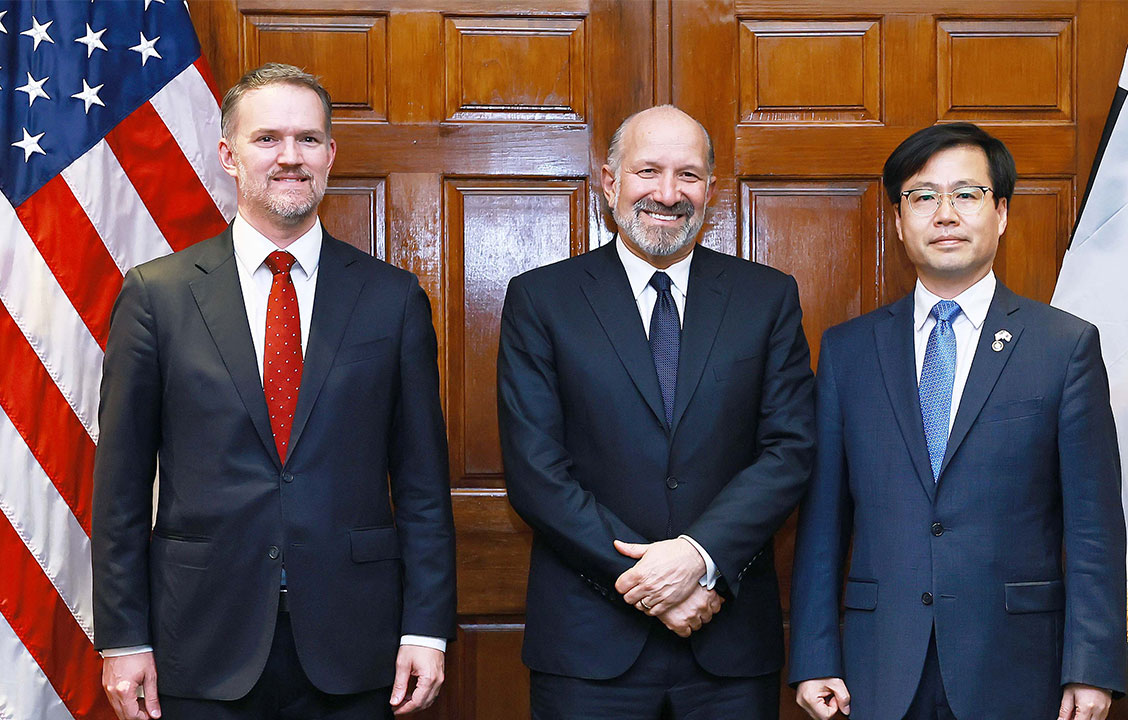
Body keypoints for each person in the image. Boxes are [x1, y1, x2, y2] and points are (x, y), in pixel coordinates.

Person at [91, 63, 456, 720]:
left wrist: (426, 630)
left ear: (330, 154)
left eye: (308, 139)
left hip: (355, 642)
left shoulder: (393, 299)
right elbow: (119, 487)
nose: (291, 157)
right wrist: (123, 638)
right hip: (200, 639)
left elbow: (423, 485)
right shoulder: (157, 295)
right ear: (229, 155)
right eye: (267, 139)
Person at [789, 122, 1127, 720]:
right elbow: (823, 522)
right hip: (878, 664)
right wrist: (815, 654)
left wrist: (1091, 667)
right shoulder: (848, 351)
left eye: (966, 195)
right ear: (899, 221)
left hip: (1017, 664)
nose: (945, 214)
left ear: (1001, 213)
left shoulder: (1063, 346)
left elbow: (1093, 526)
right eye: (923, 197)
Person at [496, 105, 815, 719]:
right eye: (648, 171)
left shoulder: (767, 297)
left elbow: (789, 451)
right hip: (588, 647)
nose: (668, 194)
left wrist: (699, 558)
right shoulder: (542, 298)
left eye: (688, 175)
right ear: (609, 182)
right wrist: (655, 585)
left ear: (711, 190)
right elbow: (536, 471)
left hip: (727, 644)